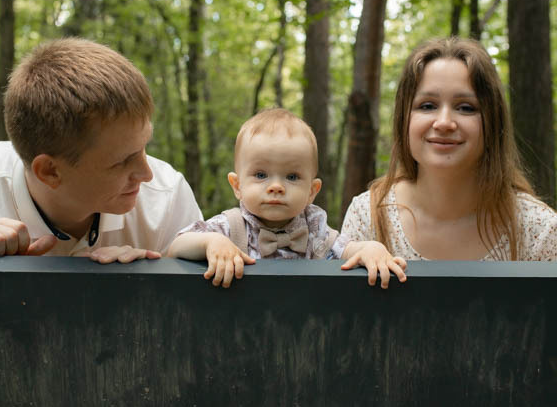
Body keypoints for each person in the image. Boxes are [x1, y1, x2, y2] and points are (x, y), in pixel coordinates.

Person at [0, 38, 202, 261]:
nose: (147, 174)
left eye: (143, 148)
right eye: (122, 162)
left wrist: (143, 284)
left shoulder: (167, 198)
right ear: (50, 171)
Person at [340, 37, 557, 265]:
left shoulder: (538, 229)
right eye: (427, 105)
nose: (444, 122)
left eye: (466, 107)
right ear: (404, 120)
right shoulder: (369, 215)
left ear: (492, 124)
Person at [167, 108, 407, 288]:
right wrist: (211, 243)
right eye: (261, 175)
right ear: (237, 185)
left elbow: (348, 249)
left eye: (292, 176)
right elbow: (176, 247)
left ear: (312, 191)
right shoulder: (230, 227)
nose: (276, 187)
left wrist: (371, 248)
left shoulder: (316, 230)